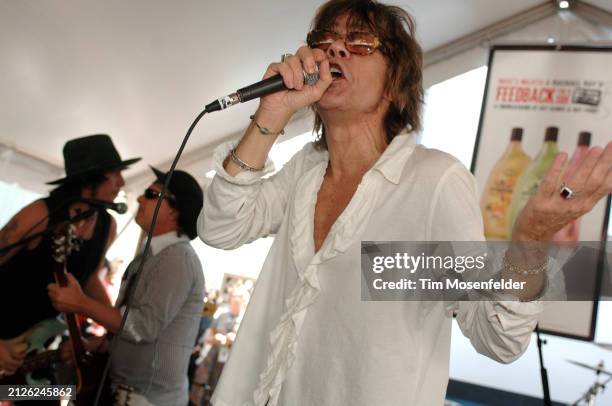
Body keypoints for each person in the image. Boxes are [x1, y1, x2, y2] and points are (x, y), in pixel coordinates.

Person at [197, 1, 612, 405]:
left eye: (360, 42)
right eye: (327, 39)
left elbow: (497, 338)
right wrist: (273, 110)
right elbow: (220, 228)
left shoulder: (433, 182)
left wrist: (530, 238)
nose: (336, 49)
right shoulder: (304, 170)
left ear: (396, 82)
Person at [48, 166, 205, 406]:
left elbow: (142, 327)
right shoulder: (153, 255)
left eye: (152, 195)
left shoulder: (176, 258)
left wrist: (81, 303)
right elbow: (132, 328)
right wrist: (97, 345)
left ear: (175, 210)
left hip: (147, 400)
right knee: (19, 392)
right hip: (126, 394)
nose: (141, 198)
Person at [0, 133, 140, 376]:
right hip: (3, 341)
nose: (121, 182)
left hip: (33, 353)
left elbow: (90, 279)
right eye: (114, 174)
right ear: (90, 180)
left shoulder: (107, 226)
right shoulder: (40, 214)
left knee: (44, 398)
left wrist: (110, 322)